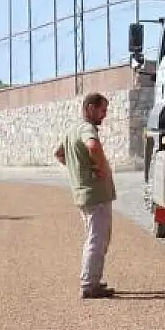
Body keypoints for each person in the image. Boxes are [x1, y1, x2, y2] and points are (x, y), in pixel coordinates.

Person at [53, 93, 117, 299]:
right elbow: (92, 146)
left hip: (84, 194)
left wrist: (80, 169)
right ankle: (89, 285)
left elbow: (60, 154)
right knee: (97, 240)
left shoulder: (71, 130)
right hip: (95, 195)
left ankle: (93, 279)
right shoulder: (86, 128)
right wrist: (100, 167)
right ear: (89, 108)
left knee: (97, 237)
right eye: (102, 110)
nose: (104, 115)